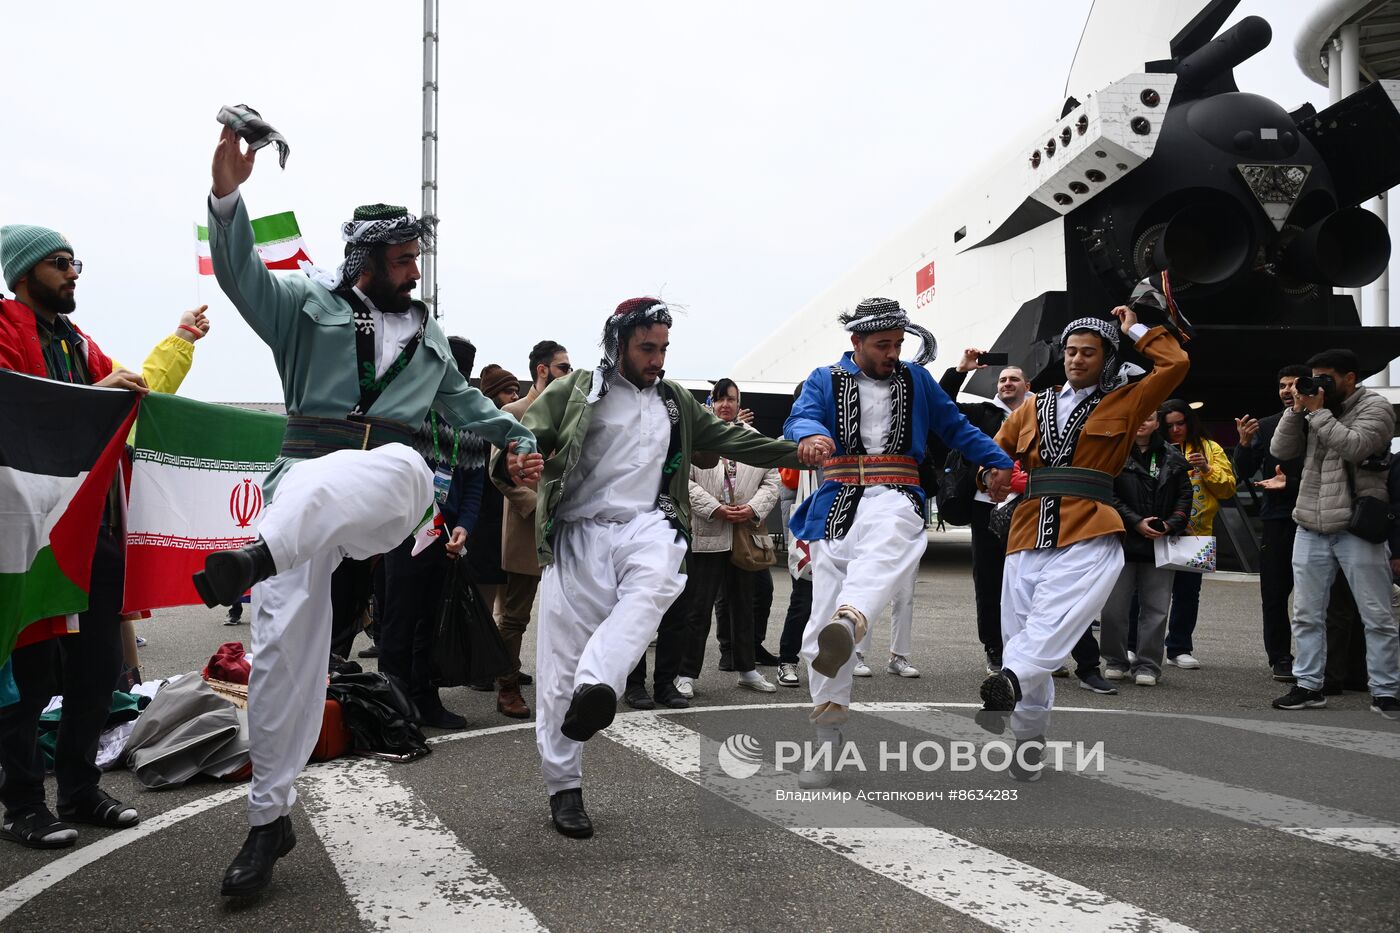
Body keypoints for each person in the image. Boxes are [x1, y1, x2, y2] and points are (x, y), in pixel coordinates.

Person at [196, 125, 541, 897]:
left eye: (417, 258)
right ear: (364, 260)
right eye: (401, 258)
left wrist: (517, 436)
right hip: (302, 491)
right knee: (284, 650)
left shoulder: (429, 338)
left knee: (395, 462)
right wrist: (227, 193)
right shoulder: (302, 307)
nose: (413, 270)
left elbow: (472, 408)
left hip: (393, 486)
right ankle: (266, 821)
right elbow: (240, 272)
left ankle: (253, 559)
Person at [495, 297, 808, 838]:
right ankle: (564, 787)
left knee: (663, 576)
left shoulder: (673, 400)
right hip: (577, 533)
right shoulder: (576, 391)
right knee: (558, 670)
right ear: (618, 343)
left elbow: (730, 437)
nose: (657, 359)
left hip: (646, 525)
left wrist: (792, 450)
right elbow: (523, 437)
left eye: (663, 348)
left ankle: (599, 686)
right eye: (647, 348)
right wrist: (515, 458)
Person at [0, 225, 205, 849]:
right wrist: (95, 395)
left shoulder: (77, 342)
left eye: (75, 262)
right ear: (24, 271)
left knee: (97, 672)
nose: (73, 273)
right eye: (60, 263)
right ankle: (23, 805)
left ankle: (80, 790)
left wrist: (179, 341)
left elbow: (135, 393)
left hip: (98, 533)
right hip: (32, 541)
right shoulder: (6, 332)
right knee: (30, 678)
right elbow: (17, 413)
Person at [784, 297, 1014, 787]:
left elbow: (956, 428)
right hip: (837, 502)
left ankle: (852, 621)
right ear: (857, 342)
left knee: (887, 545)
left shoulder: (917, 380)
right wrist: (811, 437)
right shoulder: (824, 379)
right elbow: (799, 419)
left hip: (896, 492)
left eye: (898, 344)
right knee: (818, 634)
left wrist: (999, 461)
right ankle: (828, 741)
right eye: (883, 344)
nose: (893, 352)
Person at [979, 304, 1188, 769]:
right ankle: (1027, 738)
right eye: (1071, 351)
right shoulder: (1033, 405)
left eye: (1088, 353)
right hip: (1027, 530)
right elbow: (994, 451)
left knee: (1051, 625)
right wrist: (988, 472)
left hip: (1091, 527)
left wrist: (1134, 327)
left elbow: (1175, 364)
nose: (1076, 359)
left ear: (1106, 359)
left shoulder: (1128, 400)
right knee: (1019, 634)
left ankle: (1010, 679)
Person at [1269, 349, 1399, 719]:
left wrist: (1318, 412)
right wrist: (1296, 410)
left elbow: (1355, 446)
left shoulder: (1376, 407)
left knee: (1376, 614)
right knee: (1307, 613)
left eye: (1327, 378)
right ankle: (1309, 685)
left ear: (1350, 378)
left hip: (1357, 525)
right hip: (1310, 521)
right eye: (1315, 378)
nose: (1318, 385)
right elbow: (1281, 449)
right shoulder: (1310, 407)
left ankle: (1386, 691)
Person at [378, 339, 488, 729]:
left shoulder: (472, 422)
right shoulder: (411, 412)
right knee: (398, 620)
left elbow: (474, 486)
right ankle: (391, 703)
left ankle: (425, 698)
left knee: (431, 619)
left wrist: (463, 528)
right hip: (408, 531)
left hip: (446, 539)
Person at [673, 378, 782, 698]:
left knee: (743, 605)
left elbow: (772, 482)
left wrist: (751, 508)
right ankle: (686, 672)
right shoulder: (697, 438)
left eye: (731, 399)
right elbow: (685, 480)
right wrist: (715, 508)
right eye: (719, 399)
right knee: (698, 607)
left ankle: (746, 669)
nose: (725, 405)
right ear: (712, 402)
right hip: (707, 532)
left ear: (739, 403)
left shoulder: (754, 440)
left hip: (744, 533)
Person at [938, 350, 1031, 673]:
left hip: (1031, 506)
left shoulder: (1043, 412)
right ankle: (994, 647)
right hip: (986, 508)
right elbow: (942, 405)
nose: (1007, 383)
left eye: (1013, 379)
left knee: (1030, 579)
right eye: (1002, 379)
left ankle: (1034, 646)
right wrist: (959, 370)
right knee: (990, 580)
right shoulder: (983, 413)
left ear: (1026, 384)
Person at [492, 340, 570, 719]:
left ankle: (569, 682)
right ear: (542, 370)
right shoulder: (514, 411)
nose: (568, 375)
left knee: (570, 611)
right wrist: (537, 508)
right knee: (515, 614)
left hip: (567, 529)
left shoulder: (569, 412)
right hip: (527, 528)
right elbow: (498, 473)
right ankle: (506, 687)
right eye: (562, 368)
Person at [1102, 410, 1192, 685]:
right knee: (1113, 608)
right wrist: (1136, 522)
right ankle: (1115, 659)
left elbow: (1185, 495)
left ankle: (1148, 666)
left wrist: (1171, 524)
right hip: (1122, 539)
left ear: (1157, 423)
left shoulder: (1172, 455)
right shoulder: (1115, 453)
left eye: (1149, 418)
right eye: (1138, 416)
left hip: (1160, 540)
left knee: (1156, 609)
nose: (1142, 422)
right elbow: (1108, 494)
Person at [1234, 365, 1308, 681]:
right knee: (1275, 593)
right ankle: (1279, 658)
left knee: (1320, 597)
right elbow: (1246, 469)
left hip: (1319, 517)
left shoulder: (1322, 420)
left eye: (1293, 385)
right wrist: (1245, 444)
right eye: (1281, 385)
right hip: (1278, 518)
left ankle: (1329, 661)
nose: (1287, 390)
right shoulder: (1266, 425)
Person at [1158, 399, 1235, 670]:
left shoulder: (1209, 448)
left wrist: (1206, 468)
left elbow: (1228, 490)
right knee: (1145, 592)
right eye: (1170, 426)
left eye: (1181, 423)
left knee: (1188, 594)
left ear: (1190, 422)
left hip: (1198, 533)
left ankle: (1179, 648)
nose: (1176, 430)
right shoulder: (1156, 449)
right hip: (1158, 529)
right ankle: (1136, 646)